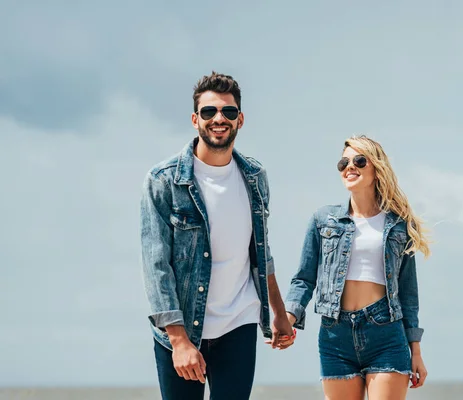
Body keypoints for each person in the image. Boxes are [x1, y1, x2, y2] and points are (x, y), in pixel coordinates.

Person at [140, 71, 295, 400]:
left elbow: (260, 252)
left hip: (238, 324)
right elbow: (157, 267)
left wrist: (278, 312)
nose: (219, 119)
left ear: (241, 119)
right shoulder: (163, 181)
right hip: (181, 332)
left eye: (228, 111)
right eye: (209, 111)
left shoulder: (254, 176)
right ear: (196, 119)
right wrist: (180, 341)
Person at [284, 135, 430, 400]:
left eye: (359, 160)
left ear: (376, 168)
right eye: (344, 162)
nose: (349, 167)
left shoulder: (398, 225)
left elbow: (408, 294)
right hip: (334, 335)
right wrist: (288, 317)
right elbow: (304, 279)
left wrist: (416, 352)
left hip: (385, 332)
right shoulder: (323, 220)